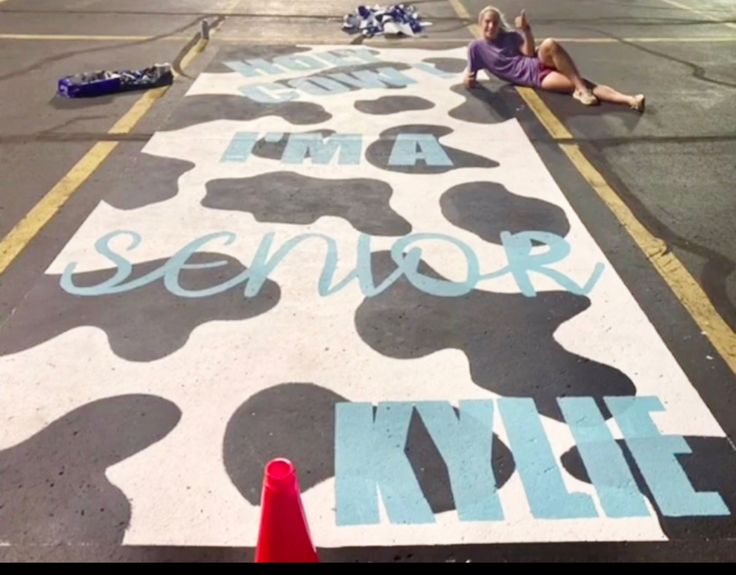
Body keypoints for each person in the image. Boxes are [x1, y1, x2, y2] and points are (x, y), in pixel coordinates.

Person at [465, 6, 645, 112]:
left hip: (539, 60)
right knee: (584, 83)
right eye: (487, 22)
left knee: (550, 43)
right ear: (481, 23)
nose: (491, 26)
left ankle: (581, 91)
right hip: (536, 77)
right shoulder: (476, 48)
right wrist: (469, 80)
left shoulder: (510, 36)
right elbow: (470, 76)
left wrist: (526, 30)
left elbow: (528, 53)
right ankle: (630, 100)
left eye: (495, 22)